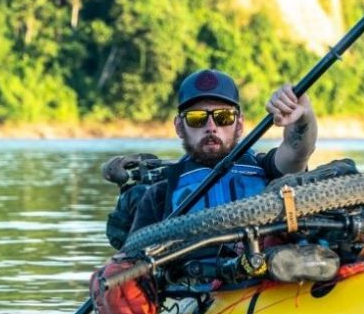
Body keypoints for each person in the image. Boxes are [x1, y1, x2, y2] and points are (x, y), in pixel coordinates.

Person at [127, 68, 318, 235]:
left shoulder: (265, 166)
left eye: (223, 117)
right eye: (196, 118)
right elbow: (132, 258)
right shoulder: (161, 192)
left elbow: (297, 152)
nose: (211, 127)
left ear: (239, 124)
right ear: (179, 127)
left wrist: (303, 115)